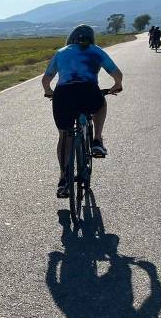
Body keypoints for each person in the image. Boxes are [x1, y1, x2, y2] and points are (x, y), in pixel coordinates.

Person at [42, 24, 123, 198]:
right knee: (100, 105)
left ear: (71, 38)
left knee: (64, 136)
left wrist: (49, 92)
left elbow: (46, 79)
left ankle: (64, 180)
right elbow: (116, 73)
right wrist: (117, 85)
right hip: (88, 91)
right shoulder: (96, 51)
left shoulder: (61, 52)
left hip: (63, 95)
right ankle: (97, 141)